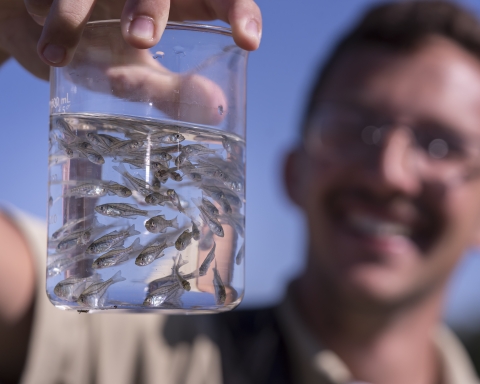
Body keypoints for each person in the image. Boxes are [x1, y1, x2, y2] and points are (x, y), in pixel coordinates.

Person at [1, 1, 480, 383]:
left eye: (442, 145)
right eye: (352, 130)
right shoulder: (146, 356)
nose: (388, 173)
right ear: (293, 173)